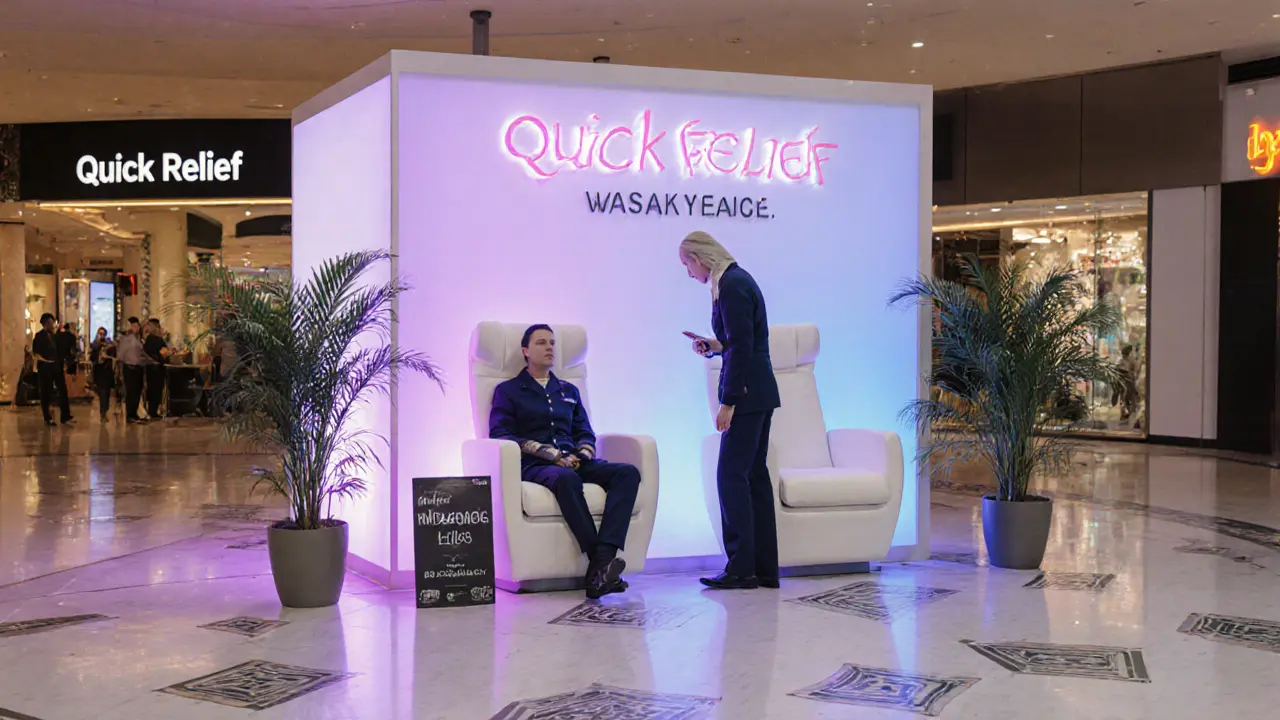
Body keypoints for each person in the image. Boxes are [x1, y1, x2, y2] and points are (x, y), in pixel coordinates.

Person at [489, 324, 641, 599]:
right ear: (525, 350)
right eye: (541, 343)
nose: (549, 348)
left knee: (627, 473)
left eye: (552, 343)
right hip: (536, 465)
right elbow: (500, 434)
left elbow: (585, 432)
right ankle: (602, 567)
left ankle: (601, 562)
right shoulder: (509, 391)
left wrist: (581, 454)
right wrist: (552, 455)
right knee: (566, 479)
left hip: (574, 460)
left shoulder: (568, 390)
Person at [679, 231, 781, 590]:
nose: (689, 273)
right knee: (753, 477)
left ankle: (741, 568)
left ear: (699, 257)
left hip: (748, 394)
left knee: (731, 477)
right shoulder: (737, 280)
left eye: (687, 264)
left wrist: (728, 402)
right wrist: (714, 347)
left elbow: (742, 349)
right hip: (760, 392)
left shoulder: (732, 285)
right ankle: (762, 568)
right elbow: (740, 342)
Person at [32, 313, 73, 426]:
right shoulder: (39, 337)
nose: (53, 325)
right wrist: (45, 361)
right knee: (46, 392)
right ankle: (47, 417)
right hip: (45, 368)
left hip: (57, 367)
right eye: (51, 323)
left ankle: (65, 416)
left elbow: (60, 351)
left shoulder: (55, 337)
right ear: (46, 324)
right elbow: (36, 353)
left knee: (63, 391)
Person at [116, 317, 147, 423]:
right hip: (129, 367)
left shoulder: (140, 339)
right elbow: (120, 356)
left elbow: (141, 353)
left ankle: (134, 413)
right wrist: (120, 372)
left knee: (138, 391)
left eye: (137, 326)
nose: (136, 328)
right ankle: (130, 415)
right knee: (131, 391)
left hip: (139, 367)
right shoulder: (126, 339)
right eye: (133, 326)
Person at [142, 318, 169, 420]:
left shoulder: (148, 339)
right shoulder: (157, 340)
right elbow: (164, 352)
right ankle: (153, 411)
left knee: (152, 389)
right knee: (156, 389)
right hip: (157, 368)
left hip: (150, 368)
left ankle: (151, 410)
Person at [89, 327, 116, 422]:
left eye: (103, 333)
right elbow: (92, 358)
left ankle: (105, 410)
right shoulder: (95, 345)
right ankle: (102, 413)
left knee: (106, 393)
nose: (101, 335)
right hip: (99, 371)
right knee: (102, 393)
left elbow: (114, 354)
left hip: (107, 372)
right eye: (99, 333)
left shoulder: (109, 345)